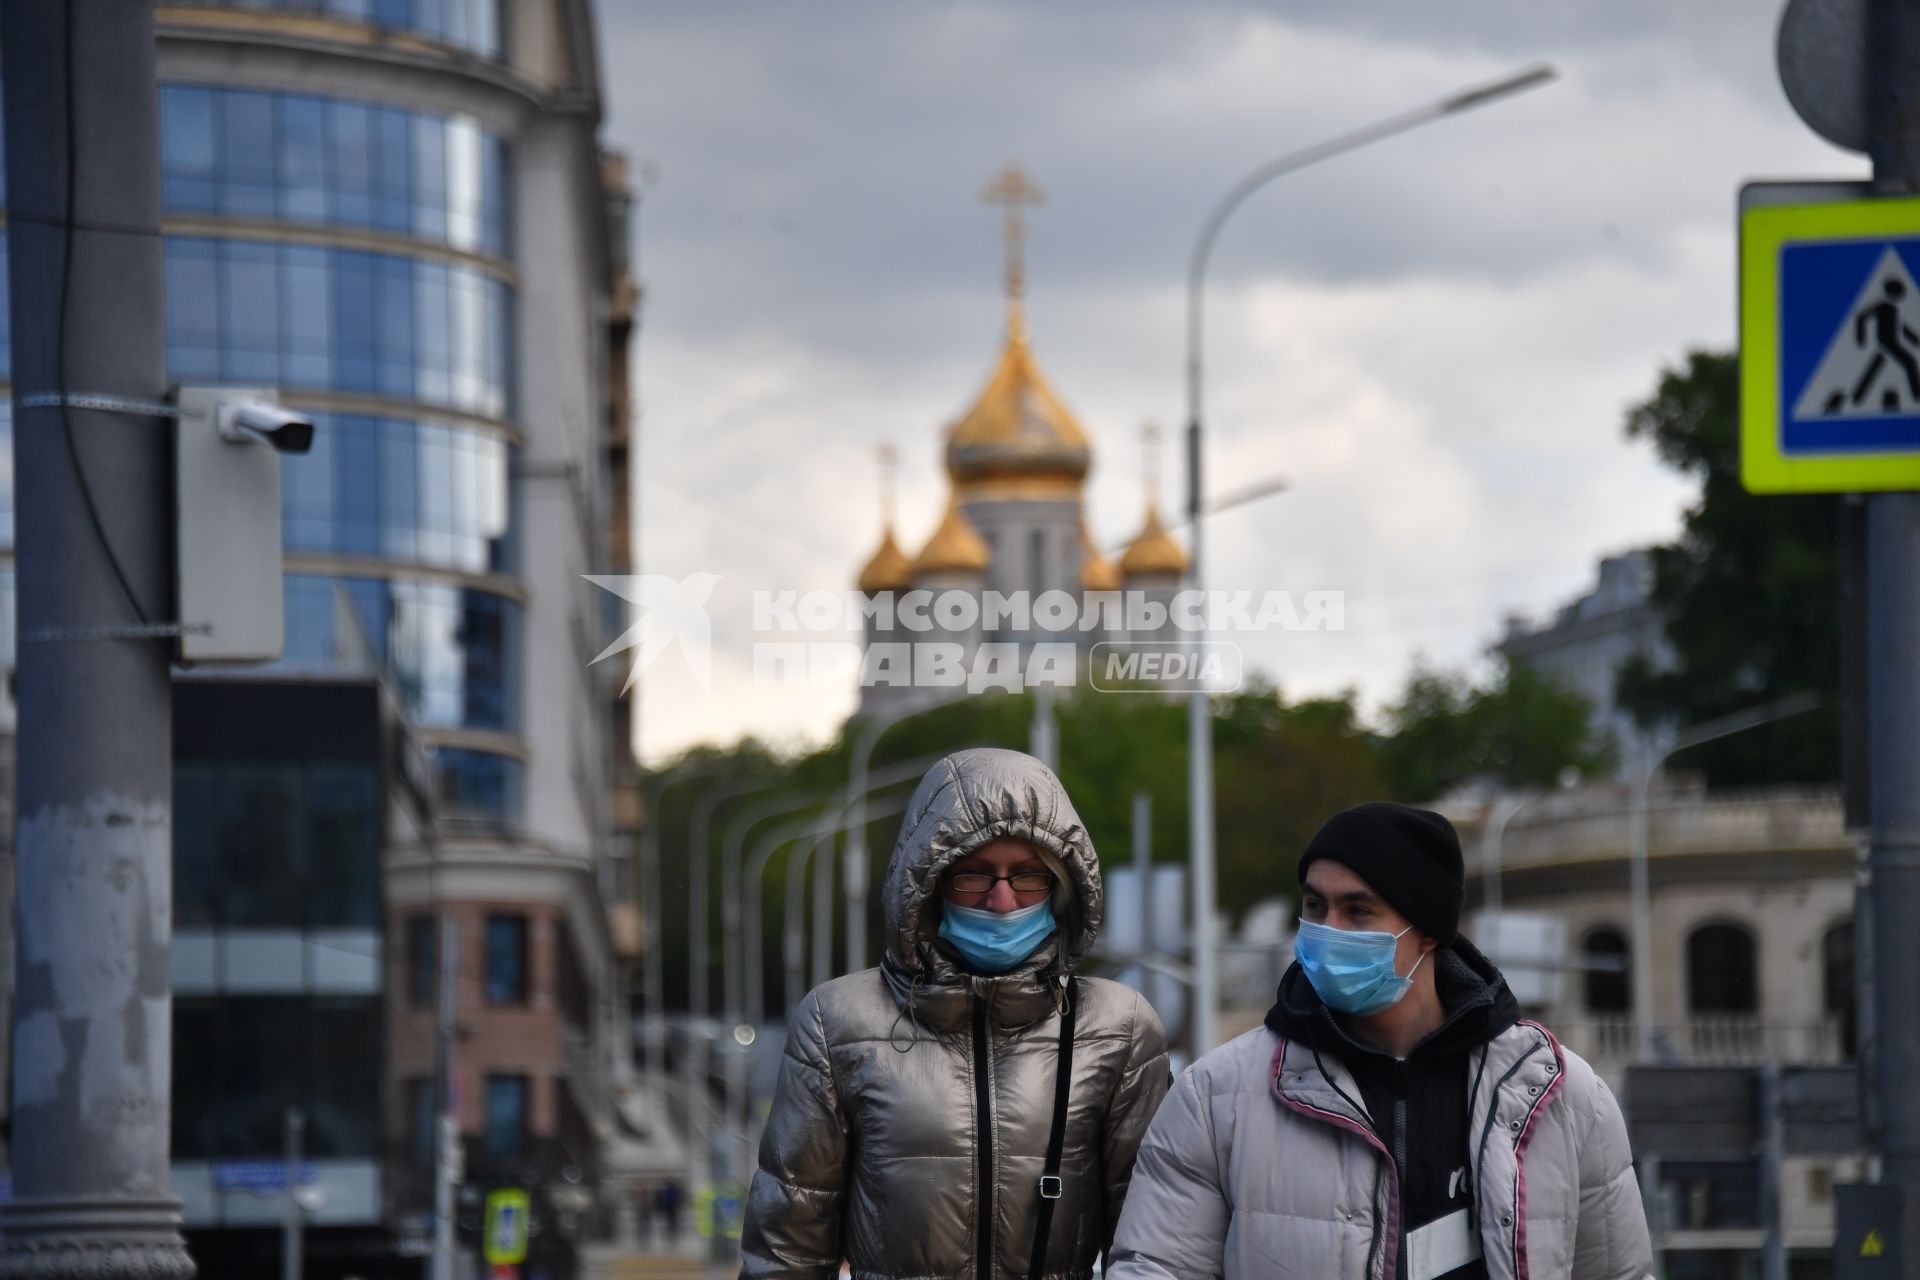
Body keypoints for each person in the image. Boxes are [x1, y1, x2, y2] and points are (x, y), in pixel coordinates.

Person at [1109, 802, 1652, 1280]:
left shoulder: (1562, 1096)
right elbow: (1156, 1266)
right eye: (1315, 906)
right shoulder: (1217, 1095)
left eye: (1359, 910)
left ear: (1429, 930)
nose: (1329, 930)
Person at [741, 747, 1171, 1279]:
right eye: (975, 874)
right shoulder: (839, 1022)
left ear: (1061, 885)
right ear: (930, 882)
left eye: (1027, 875)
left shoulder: (1116, 1026)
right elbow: (788, 1245)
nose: (1003, 900)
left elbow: (1154, 1243)